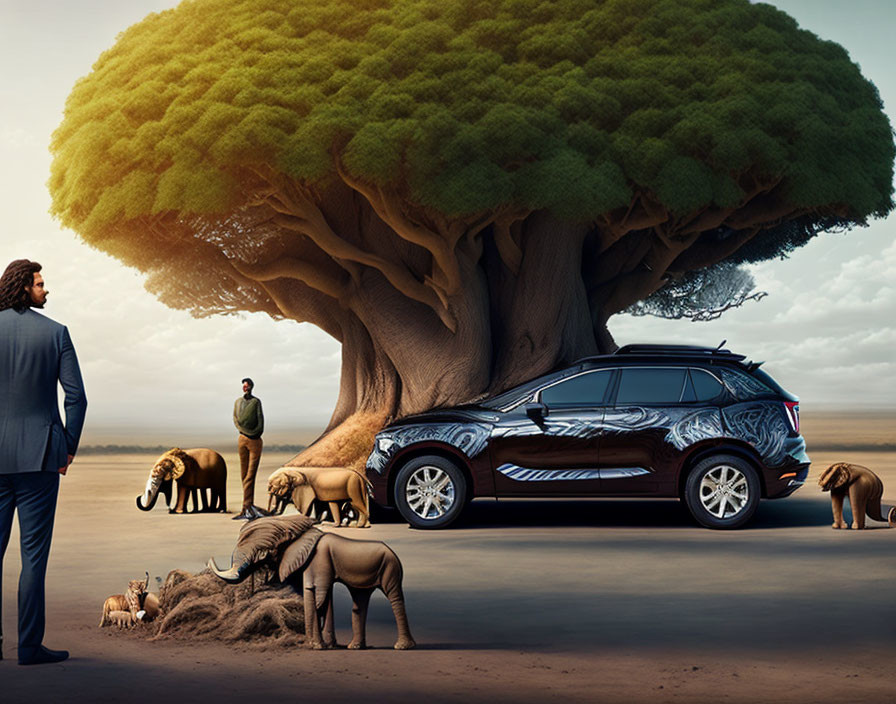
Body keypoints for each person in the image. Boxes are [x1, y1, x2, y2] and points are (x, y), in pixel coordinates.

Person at [0, 260, 87, 665]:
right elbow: (76, 398)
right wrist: (67, 447)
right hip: (40, 460)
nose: (45, 290)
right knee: (32, 558)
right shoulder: (56, 333)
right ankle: (29, 648)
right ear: (23, 289)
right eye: (40, 284)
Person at [233, 377, 264, 520]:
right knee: (243, 475)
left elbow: (260, 422)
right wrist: (243, 431)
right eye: (243, 387)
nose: (245, 388)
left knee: (250, 476)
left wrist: (252, 434)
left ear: (251, 387)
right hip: (242, 440)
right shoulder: (238, 402)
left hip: (255, 441)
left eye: (247, 386)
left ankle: (248, 507)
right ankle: (246, 507)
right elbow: (235, 419)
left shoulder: (256, 402)